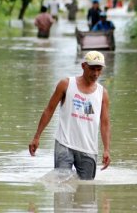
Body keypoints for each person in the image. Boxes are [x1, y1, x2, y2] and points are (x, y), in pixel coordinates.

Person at [29, 51, 111, 180]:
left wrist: (106, 149)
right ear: (83, 66)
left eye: (99, 69)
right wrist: (37, 136)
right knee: (60, 187)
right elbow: (49, 110)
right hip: (64, 144)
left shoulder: (102, 93)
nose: (95, 73)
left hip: (88, 148)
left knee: (86, 193)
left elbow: (105, 122)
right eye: (92, 69)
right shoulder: (66, 84)